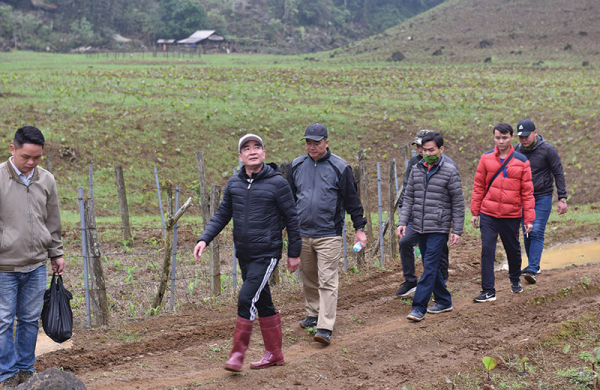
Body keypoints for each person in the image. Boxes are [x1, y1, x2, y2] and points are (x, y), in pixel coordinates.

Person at [193, 134, 301, 372]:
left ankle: (237, 355)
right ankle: (275, 354)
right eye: (247, 148)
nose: (252, 151)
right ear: (240, 156)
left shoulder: (278, 184)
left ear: (264, 153)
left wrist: (294, 252)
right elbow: (222, 215)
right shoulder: (234, 184)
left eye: (257, 147)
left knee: (246, 298)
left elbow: (292, 219)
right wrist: (204, 239)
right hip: (244, 254)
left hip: (267, 253)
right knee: (263, 302)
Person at [287, 123, 367, 346]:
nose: (312, 147)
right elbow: (289, 200)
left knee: (327, 280)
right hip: (302, 233)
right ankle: (313, 313)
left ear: (327, 142)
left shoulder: (340, 168)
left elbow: (353, 201)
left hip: (328, 234)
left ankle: (325, 326)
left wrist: (359, 229)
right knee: (309, 277)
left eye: (316, 143)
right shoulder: (296, 166)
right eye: (308, 143)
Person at [0, 126, 66, 388]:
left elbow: (52, 219)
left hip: (37, 264)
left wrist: (56, 253)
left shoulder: (46, 180)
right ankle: (6, 375)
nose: (31, 163)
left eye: (37, 158)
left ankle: (26, 370)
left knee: (29, 320)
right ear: (12, 149)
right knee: (4, 322)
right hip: (4, 266)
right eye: (26, 156)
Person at [398, 132, 464, 322]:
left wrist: (457, 230)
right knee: (430, 265)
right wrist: (403, 222)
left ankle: (419, 307)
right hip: (419, 225)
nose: (427, 153)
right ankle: (444, 300)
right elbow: (409, 197)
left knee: (429, 267)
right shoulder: (417, 169)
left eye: (431, 150)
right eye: (424, 150)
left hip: (439, 226)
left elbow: (458, 203)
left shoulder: (449, 171)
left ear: (441, 150)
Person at [470, 123, 535, 302]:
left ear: (511, 137)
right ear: (494, 137)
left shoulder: (522, 161)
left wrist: (529, 219)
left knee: (512, 250)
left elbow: (527, 193)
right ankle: (488, 290)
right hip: (488, 213)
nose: (501, 141)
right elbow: (478, 186)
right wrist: (475, 212)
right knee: (487, 250)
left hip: (511, 215)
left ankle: (514, 278)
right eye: (497, 137)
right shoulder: (486, 158)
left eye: (504, 138)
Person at [514, 119, 568, 284]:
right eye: (520, 136)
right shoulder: (516, 150)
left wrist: (562, 198)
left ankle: (532, 267)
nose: (523, 139)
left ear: (535, 133)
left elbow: (558, 172)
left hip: (542, 196)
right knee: (527, 232)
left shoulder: (548, 150)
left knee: (536, 230)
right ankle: (533, 265)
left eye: (526, 136)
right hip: (523, 198)